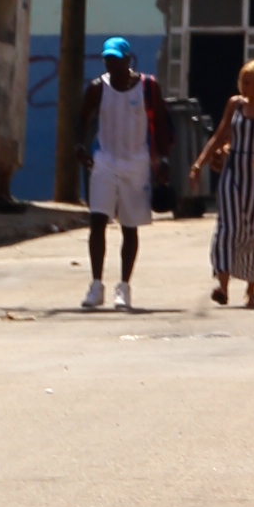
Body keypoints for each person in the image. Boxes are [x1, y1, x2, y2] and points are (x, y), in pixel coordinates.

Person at [77, 37, 166, 312]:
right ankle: (96, 285)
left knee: (129, 226)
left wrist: (163, 160)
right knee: (97, 221)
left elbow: (162, 124)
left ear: (128, 60)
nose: (111, 64)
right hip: (105, 160)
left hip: (136, 164)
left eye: (116, 59)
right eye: (107, 59)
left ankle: (124, 287)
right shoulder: (97, 88)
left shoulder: (147, 87)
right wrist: (80, 147)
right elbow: (82, 119)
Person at [190, 55, 254, 306]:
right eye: (242, 81)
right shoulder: (235, 104)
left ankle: (251, 289)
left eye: (248, 82)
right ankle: (223, 285)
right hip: (233, 172)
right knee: (227, 227)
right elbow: (220, 135)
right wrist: (198, 165)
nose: (243, 87)